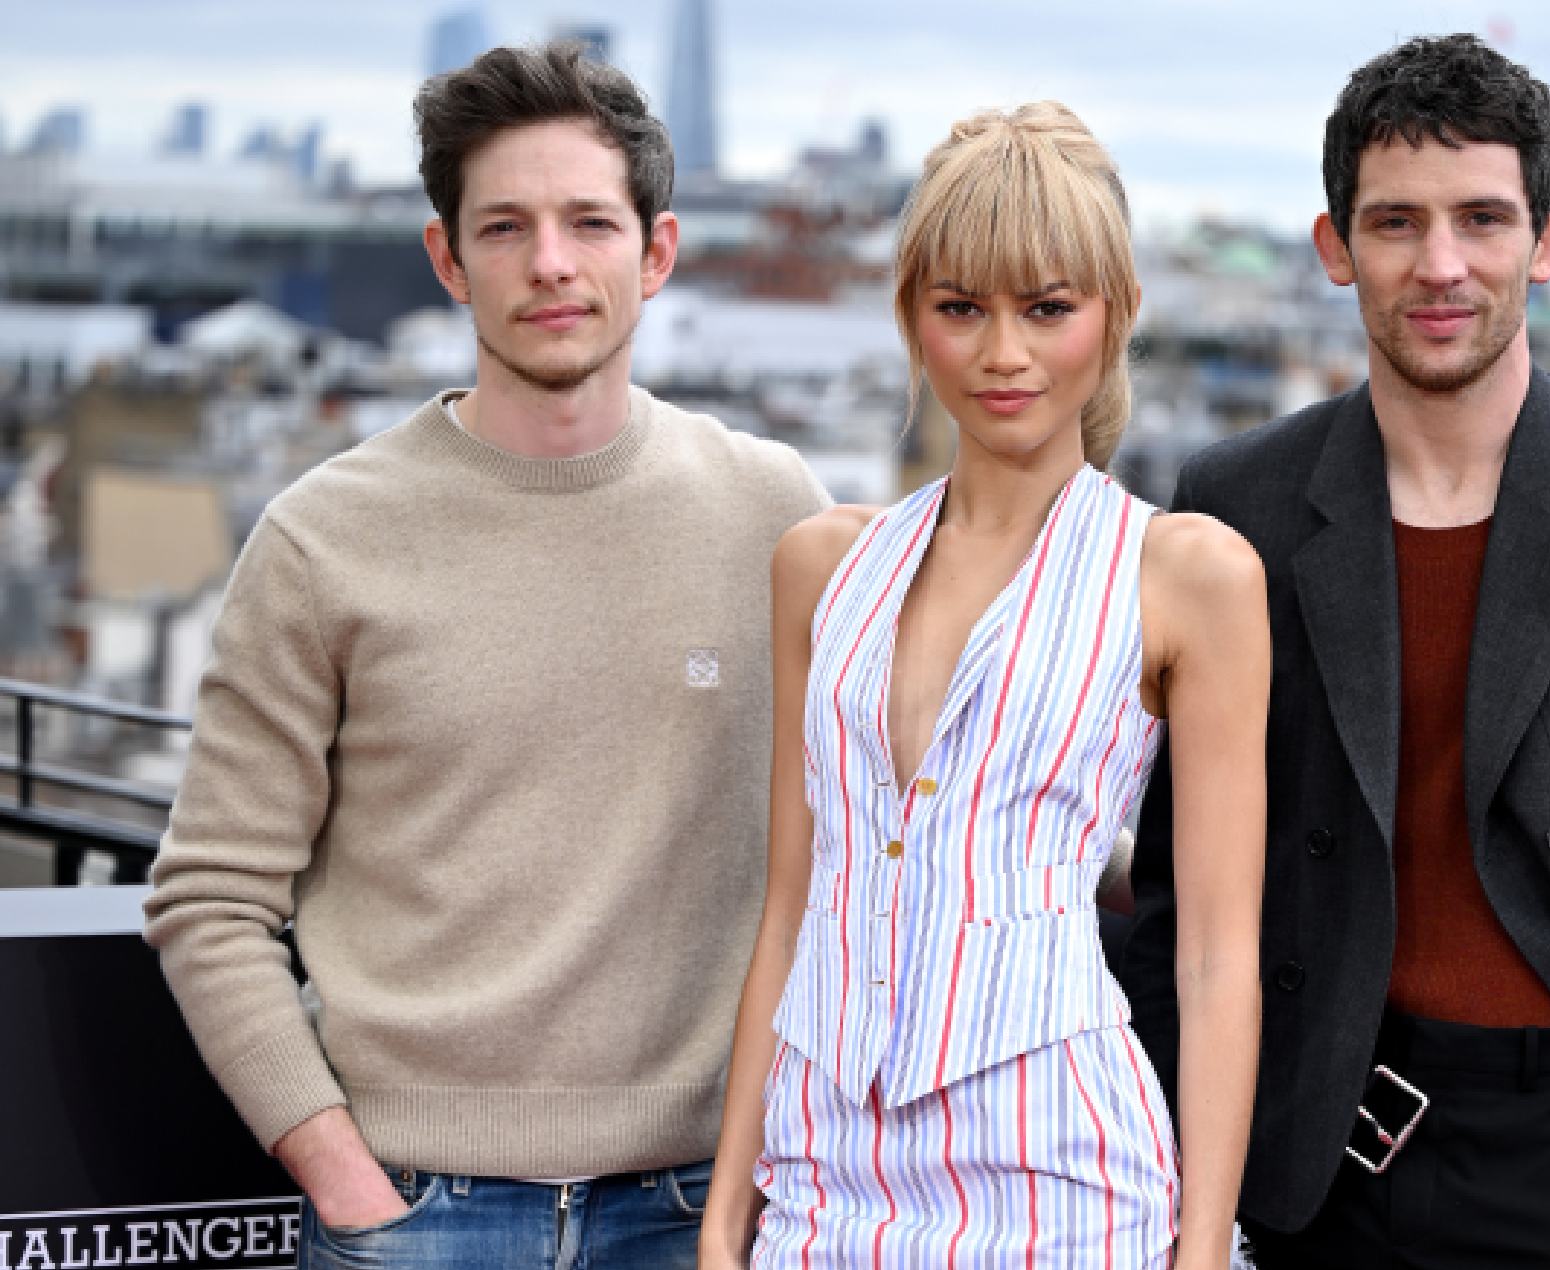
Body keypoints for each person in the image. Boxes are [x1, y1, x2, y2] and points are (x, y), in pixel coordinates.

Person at [1119, 33, 1550, 1269]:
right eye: (1394, 223)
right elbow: (1183, 869)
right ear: (1334, 250)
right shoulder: (1235, 501)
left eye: (1481, 220)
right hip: (1310, 1165)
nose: (1439, 267)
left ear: (1548, 242)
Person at [143, 43, 827, 1270]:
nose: (550, 263)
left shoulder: (771, 508)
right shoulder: (322, 534)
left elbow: (881, 794)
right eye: (504, 227)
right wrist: (350, 1188)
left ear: (656, 252)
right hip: (418, 1213)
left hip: (702, 1208)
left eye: (588, 223)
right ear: (447, 259)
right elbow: (209, 898)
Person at [698, 102, 1268, 1269]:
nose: (1003, 353)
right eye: (961, 308)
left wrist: (1201, 1248)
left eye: (1046, 308)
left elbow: (1216, 954)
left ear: (1115, 319)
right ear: (913, 318)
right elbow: (791, 909)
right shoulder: (820, 567)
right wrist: (722, 1219)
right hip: (817, 1181)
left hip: (1060, 1177)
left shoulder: (1188, 574)